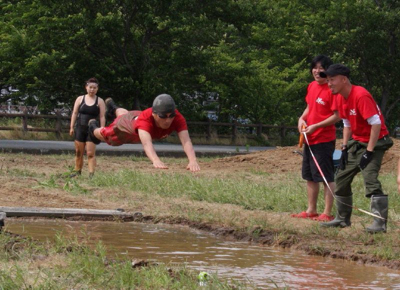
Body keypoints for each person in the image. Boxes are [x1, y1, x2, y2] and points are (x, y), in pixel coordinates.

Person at [320, 64, 393, 233]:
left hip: (376, 142)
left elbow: (376, 124)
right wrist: (344, 147)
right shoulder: (339, 96)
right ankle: (342, 219)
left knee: (370, 180)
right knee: (341, 178)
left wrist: (369, 151)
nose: (329, 83)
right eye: (328, 80)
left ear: (344, 79)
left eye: (332, 80)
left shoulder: (361, 95)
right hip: (357, 142)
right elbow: (346, 123)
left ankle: (379, 224)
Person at [88, 94, 200, 172]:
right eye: (163, 116)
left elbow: (186, 141)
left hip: (135, 116)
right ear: (154, 114)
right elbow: (147, 144)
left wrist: (192, 161)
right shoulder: (145, 121)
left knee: (125, 114)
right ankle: (92, 127)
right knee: (108, 135)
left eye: (171, 116)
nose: (168, 120)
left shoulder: (178, 117)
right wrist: (156, 160)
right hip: (126, 126)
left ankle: (113, 108)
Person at [291, 55, 340, 222]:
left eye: (322, 69)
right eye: (315, 68)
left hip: (324, 139)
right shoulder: (311, 86)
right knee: (310, 176)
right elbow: (309, 107)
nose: (317, 71)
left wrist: (317, 126)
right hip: (309, 139)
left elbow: (337, 116)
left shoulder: (332, 89)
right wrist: (301, 119)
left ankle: (327, 212)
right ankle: (311, 210)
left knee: (326, 176)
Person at [69, 78, 106, 178]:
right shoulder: (80, 99)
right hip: (80, 128)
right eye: (90, 87)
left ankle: (91, 174)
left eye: (94, 88)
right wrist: (71, 127)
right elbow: (75, 113)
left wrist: (102, 129)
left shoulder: (100, 101)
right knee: (78, 152)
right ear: (86, 87)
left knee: (90, 153)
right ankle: (77, 171)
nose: (92, 90)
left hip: (92, 130)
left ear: (97, 89)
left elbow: (102, 116)